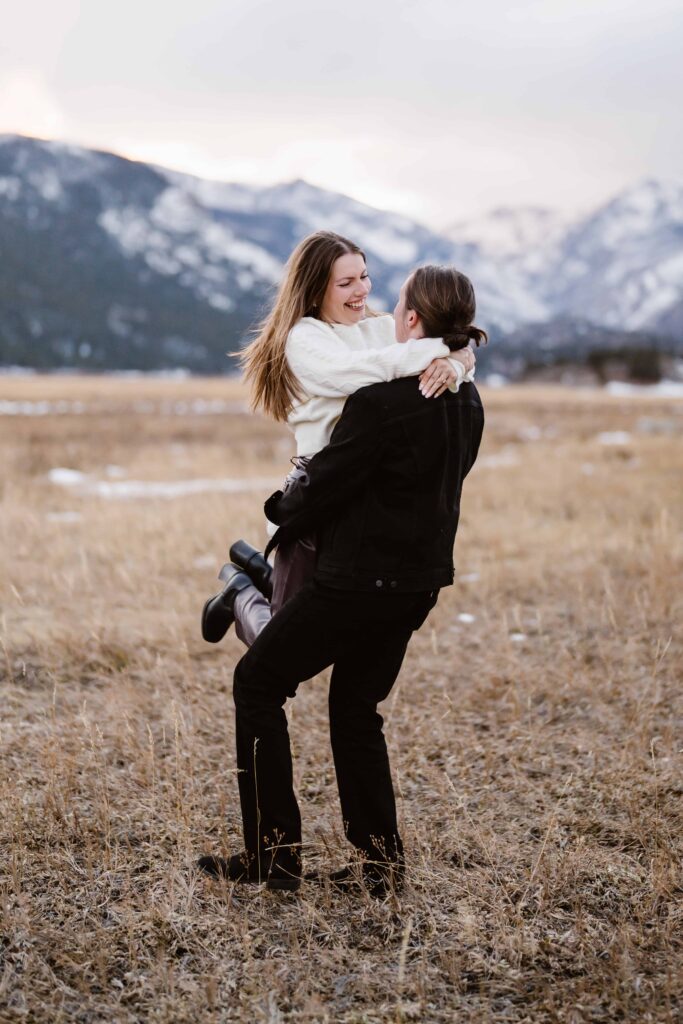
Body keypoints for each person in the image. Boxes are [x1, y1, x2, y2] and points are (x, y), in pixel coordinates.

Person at [198, 264, 486, 896]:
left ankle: (274, 860)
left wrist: (282, 508)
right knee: (356, 710)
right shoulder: (467, 398)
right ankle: (382, 869)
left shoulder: (379, 403)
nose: (378, 300)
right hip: (419, 583)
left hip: (355, 583)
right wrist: (462, 359)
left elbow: (325, 487)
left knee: (258, 682)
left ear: (410, 321)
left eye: (394, 298)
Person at [201, 231, 475, 646]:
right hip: (317, 491)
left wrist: (457, 362)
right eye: (345, 283)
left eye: (364, 277)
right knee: (283, 640)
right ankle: (239, 591)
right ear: (314, 291)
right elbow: (364, 371)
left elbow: (429, 344)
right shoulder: (305, 339)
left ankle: (259, 569)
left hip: (362, 484)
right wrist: (454, 352)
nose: (362, 290)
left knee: (328, 606)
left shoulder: (379, 328)